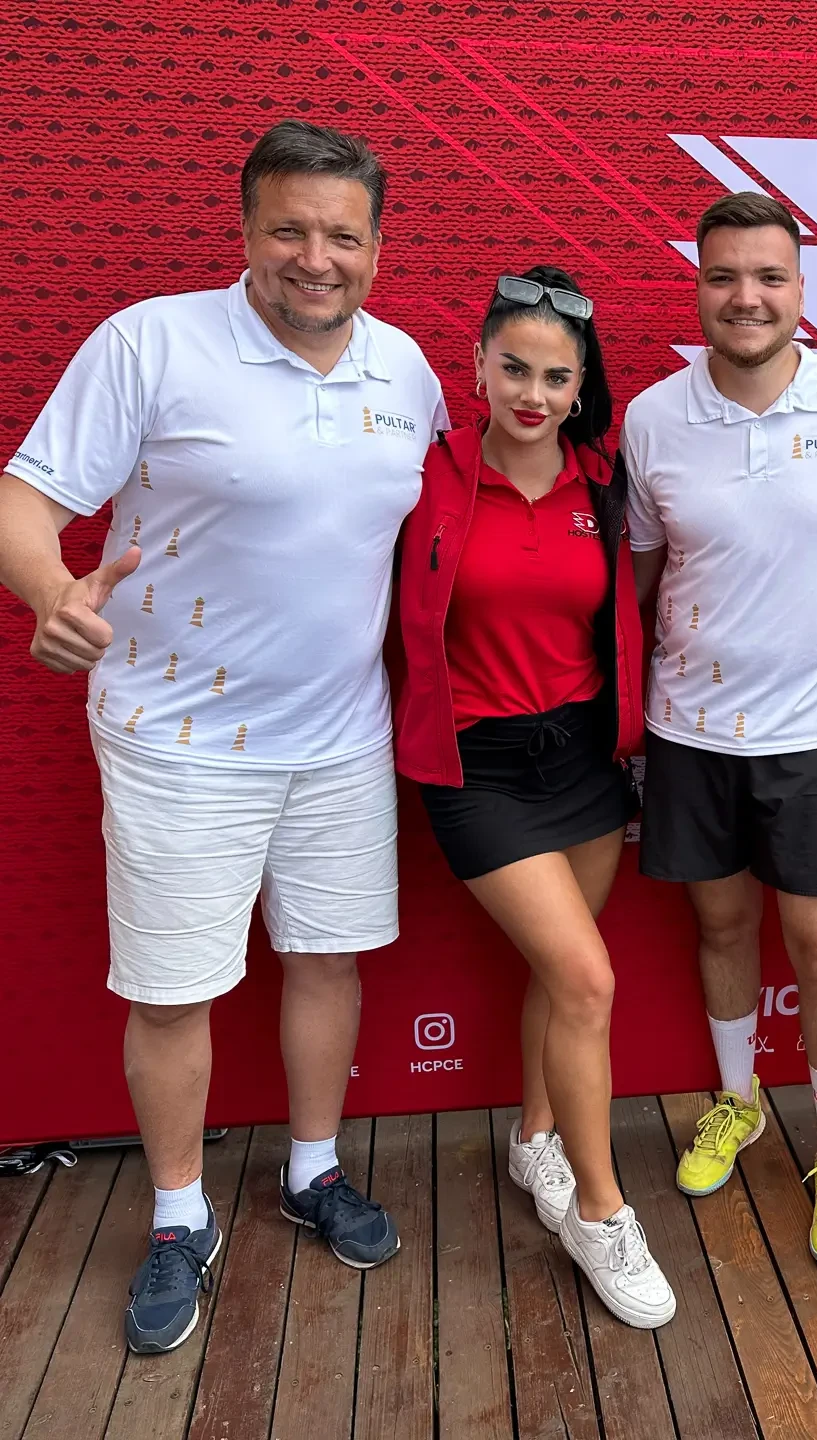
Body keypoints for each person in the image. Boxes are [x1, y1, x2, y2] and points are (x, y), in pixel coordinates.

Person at [0, 121, 446, 1352]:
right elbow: (25, 497)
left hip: (343, 737)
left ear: (377, 247)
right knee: (172, 993)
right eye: (289, 229)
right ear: (245, 231)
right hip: (178, 740)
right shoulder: (150, 342)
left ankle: (311, 1170)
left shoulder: (407, 369)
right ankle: (176, 1215)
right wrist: (48, 592)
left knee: (328, 961)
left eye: (343, 235)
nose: (317, 258)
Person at [622, 192, 817, 1267]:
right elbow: (642, 577)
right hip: (691, 728)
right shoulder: (651, 418)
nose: (745, 297)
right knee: (719, 930)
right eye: (723, 276)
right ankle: (737, 1100)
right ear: (697, 285)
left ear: (801, 289)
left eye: (768, 277)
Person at [393, 266, 675, 1329]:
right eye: (514, 368)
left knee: (564, 977)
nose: (533, 393)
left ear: (580, 388)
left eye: (557, 378)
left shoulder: (602, 486)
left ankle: (535, 1140)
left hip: (584, 761)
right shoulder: (424, 476)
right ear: (476, 366)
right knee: (587, 979)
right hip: (479, 768)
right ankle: (601, 1213)